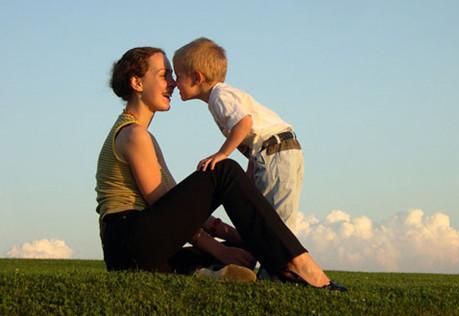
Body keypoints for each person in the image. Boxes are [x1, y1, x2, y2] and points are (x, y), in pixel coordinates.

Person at [95, 46, 347, 292]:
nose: (172, 83)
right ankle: (298, 264)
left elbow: (174, 203)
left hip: (133, 252)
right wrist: (219, 248)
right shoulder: (134, 135)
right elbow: (160, 201)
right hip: (130, 239)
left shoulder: (139, 134)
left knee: (243, 249)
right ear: (137, 83)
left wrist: (232, 236)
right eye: (164, 75)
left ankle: (206, 272)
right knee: (223, 170)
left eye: (173, 76)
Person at [173, 37, 303, 234]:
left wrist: (222, 154)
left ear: (197, 77)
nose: (175, 83)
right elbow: (252, 135)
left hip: (276, 152)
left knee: (276, 220)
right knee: (267, 215)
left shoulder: (219, 96)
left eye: (178, 76)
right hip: (273, 151)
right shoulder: (220, 97)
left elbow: (244, 123)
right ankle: (269, 260)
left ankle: (285, 263)